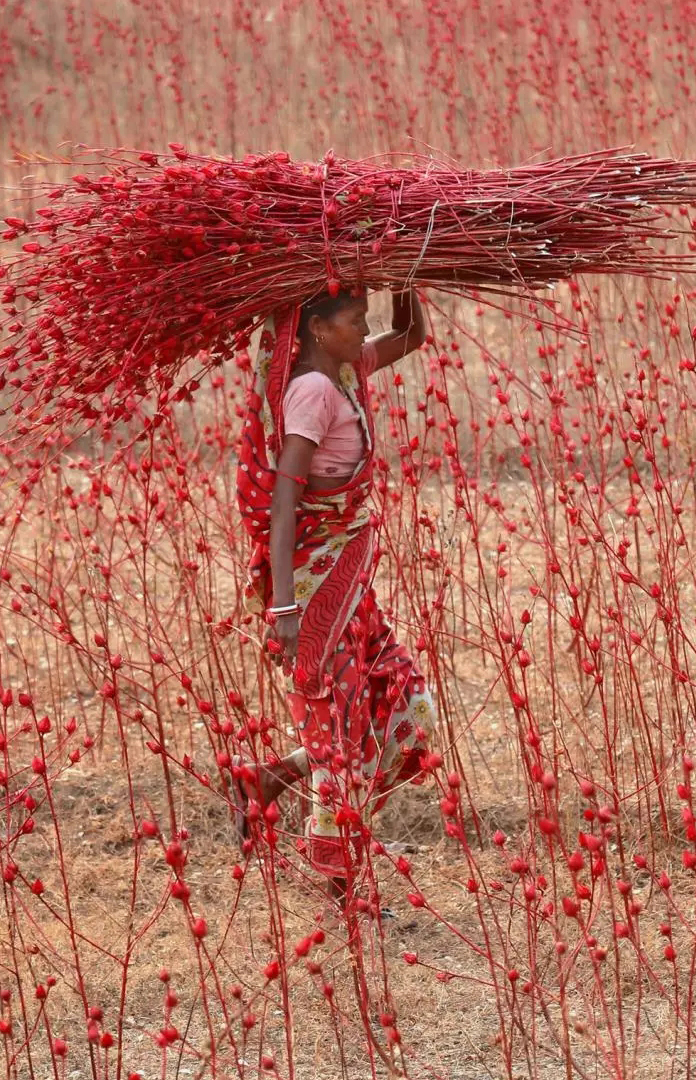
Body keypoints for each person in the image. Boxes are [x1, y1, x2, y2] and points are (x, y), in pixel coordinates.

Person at [232, 285, 437, 901]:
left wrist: (406, 276)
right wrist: (286, 605)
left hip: (346, 581)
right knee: (336, 729)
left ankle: (269, 777)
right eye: (354, 319)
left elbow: (412, 336)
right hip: (317, 584)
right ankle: (342, 885)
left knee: (397, 701)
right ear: (319, 328)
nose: (364, 328)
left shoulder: (345, 369)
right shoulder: (314, 393)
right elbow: (285, 505)